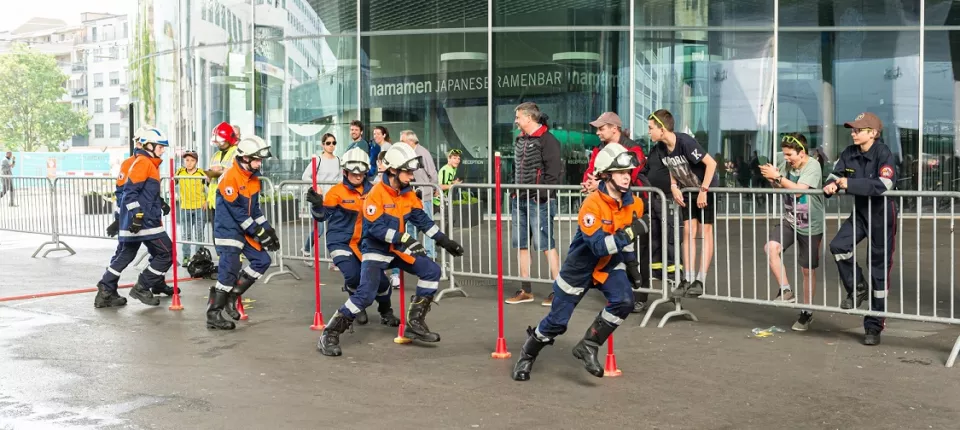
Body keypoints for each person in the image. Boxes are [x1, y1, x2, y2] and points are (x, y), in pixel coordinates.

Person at [512, 143, 646, 381]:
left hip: (608, 265)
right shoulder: (591, 205)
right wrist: (629, 234)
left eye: (628, 173)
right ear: (606, 174)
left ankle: (589, 345)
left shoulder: (634, 203)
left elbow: (626, 242)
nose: (627, 178)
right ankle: (527, 354)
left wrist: (632, 266)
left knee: (624, 301)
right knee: (556, 323)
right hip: (580, 268)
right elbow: (598, 246)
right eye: (620, 173)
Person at [317, 143, 464, 357]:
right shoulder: (375, 193)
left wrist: (444, 241)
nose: (412, 176)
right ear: (393, 170)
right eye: (408, 171)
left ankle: (414, 323)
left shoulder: (408, 193)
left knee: (432, 271)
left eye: (412, 171)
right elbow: (375, 228)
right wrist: (405, 238)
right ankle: (329, 333)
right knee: (366, 295)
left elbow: (422, 220)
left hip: (396, 249)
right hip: (375, 250)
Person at [823, 112, 898, 346]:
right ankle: (857, 287)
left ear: (873, 134)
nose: (853, 133)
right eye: (852, 129)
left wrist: (850, 184)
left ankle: (873, 326)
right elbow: (833, 176)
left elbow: (885, 183)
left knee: (878, 270)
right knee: (838, 246)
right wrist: (830, 185)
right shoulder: (848, 153)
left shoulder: (884, 153)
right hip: (861, 214)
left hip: (882, 215)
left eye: (858, 130)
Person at [305, 148, 401, 327]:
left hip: (366, 243)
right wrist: (317, 205)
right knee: (353, 275)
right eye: (354, 172)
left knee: (380, 282)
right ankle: (358, 306)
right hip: (340, 241)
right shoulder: (336, 192)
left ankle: (386, 311)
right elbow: (321, 216)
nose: (358, 176)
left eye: (362, 172)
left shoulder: (375, 191)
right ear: (345, 171)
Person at [93, 127, 175, 308]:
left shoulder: (148, 163)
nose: (163, 150)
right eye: (160, 146)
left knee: (126, 254)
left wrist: (159, 202)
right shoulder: (140, 163)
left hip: (140, 218)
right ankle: (143, 285)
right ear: (146, 145)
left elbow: (144, 192)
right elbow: (126, 193)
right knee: (166, 252)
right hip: (143, 221)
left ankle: (106, 289)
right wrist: (132, 216)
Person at [208, 135, 280, 330]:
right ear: (245, 158)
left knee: (262, 260)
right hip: (228, 230)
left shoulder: (254, 180)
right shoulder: (229, 177)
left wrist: (268, 230)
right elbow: (237, 212)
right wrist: (257, 231)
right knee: (229, 269)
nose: (259, 163)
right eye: (256, 159)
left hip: (244, 230)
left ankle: (233, 295)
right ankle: (213, 314)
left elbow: (254, 210)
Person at [582, 112, 649, 313]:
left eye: (601, 128)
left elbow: (631, 173)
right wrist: (589, 183)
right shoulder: (599, 150)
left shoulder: (633, 148)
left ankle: (639, 295)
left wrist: (599, 182)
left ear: (614, 128)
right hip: (609, 206)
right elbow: (591, 171)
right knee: (615, 248)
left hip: (632, 206)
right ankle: (622, 293)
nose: (598, 132)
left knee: (635, 252)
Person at [647, 110, 718, 299]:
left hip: (705, 187)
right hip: (688, 189)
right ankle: (687, 278)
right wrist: (673, 185)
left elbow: (711, 164)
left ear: (662, 129)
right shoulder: (662, 147)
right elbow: (672, 166)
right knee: (688, 231)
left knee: (705, 232)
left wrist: (704, 190)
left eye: (651, 128)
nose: (649, 132)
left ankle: (700, 280)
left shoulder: (685, 142)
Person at [759, 133, 824, 332]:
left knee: (807, 270)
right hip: (790, 219)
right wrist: (772, 179)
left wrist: (777, 177)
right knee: (771, 248)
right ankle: (786, 291)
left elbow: (798, 191)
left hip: (811, 224)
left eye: (790, 155)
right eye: (784, 154)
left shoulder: (813, 166)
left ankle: (807, 312)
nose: (786, 158)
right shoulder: (782, 159)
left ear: (802, 153)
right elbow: (779, 188)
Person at [505, 102, 562, 307]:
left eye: (518, 117)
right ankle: (525, 290)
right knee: (521, 244)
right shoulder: (520, 139)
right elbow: (516, 168)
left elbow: (554, 173)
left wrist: (542, 196)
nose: (516, 120)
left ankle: (559, 290)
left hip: (539, 201)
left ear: (529, 118)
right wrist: (514, 191)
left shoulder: (548, 140)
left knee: (546, 244)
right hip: (519, 198)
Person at [301, 133, 341, 267]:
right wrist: (316, 187)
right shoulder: (318, 160)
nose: (331, 146)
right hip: (319, 200)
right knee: (320, 229)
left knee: (333, 229)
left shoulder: (338, 160)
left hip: (334, 200)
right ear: (323, 145)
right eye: (328, 143)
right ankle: (306, 250)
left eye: (333, 143)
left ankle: (332, 260)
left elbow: (340, 180)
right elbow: (305, 176)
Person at [399, 130, 438, 258]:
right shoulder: (408, 154)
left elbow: (432, 174)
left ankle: (430, 253)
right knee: (411, 226)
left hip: (423, 197)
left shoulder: (422, 153)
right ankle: (413, 252)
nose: (400, 144)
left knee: (426, 226)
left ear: (411, 141)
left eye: (402, 141)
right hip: (411, 196)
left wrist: (430, 190)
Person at [175, 150, 208, 266]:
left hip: (199, 207)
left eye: (192, 160)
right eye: (187, 160)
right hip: (185, 208)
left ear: (196, 162)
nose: (189, 163)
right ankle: (186, 257)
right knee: (186, 234)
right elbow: (171, 183)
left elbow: (210, 187)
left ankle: (199, 256)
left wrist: (207, 201)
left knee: (199, 233)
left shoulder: (201, 173)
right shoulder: (179, 172)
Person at [205, 122, 240, 218]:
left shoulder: (237, 153)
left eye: (221, 141)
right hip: (214, 202)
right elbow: (210, 181)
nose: (219, 144)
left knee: (227, 231)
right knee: (216, 232)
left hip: (228, 200)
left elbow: (238, 172)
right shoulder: (215, 155)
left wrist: (222, 169)